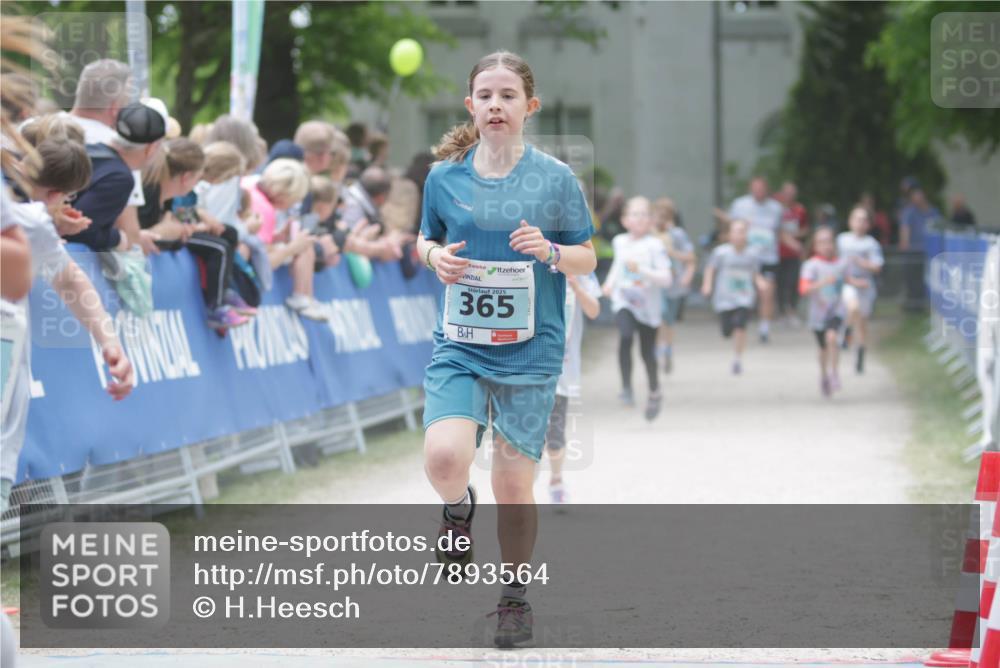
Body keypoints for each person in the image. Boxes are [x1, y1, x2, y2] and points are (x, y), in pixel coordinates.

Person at [415, 50, 596, 648]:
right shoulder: (444, 178)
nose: (496, 104)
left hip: (531, 350)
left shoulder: (556, 179)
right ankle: (456, 508)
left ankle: (514, 599)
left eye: (508, 95)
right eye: (486, 95)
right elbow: (425, 239)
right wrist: (434, 257)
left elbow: (587, 257)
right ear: (471, 106)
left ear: (529, 107)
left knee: (515, 484)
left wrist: (548, 251)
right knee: (444, 458)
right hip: (462, 346)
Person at [139, 138, 251, 329]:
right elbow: (165, 225)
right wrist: (186, 226)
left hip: (179, 230)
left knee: (228, 233)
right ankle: (216, 305)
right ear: (187, 177)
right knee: (219, 248)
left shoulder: (165, 192)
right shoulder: (151, 190)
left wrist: (181, 227)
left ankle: (226, 289)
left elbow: (174, 220)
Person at [66, 100, 167, 252]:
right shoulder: (120, 178)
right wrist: (118, 238)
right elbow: (79, 228)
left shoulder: (89, 149)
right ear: (151, 148)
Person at [603, 196, 672, 419]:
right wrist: (609, 284)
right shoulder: (620, 241)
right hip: (624, 300)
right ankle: (626, 387)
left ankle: (654, 390)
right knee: (624, 336)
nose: (639, 218)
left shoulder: (655, 245)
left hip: (647, 306)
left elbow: (666, 279)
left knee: (646, 352)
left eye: (644, 214)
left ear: (651, 220)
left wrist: (642, 270)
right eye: (634, 213)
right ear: (624, 220)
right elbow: (618, 265)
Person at [244, 158, 327, 321]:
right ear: (284, 196)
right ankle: (302, 297)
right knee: (305, 246)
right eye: (295, 200)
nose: (292, 206)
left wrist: (276, 237)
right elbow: (262, 263)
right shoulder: (265, 209)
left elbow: (254, 241)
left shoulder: (250, 183)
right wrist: (292, 248)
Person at [545, 272, 601, 505]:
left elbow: (594, 310)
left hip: (562, 369)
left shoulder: (580, 267)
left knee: (555, 435)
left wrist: (576, 288)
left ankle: (556, 479)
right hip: (525, 365)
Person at [800, 226, 867, 397]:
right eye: (821, 242)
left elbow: (846, 280)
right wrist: (822, 283)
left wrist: (857, 282)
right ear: (815, 246)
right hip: (818, 314)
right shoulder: (811, 266)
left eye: (829, 241)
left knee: (832, 338)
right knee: (823, 348)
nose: (826, 245)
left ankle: (834, 373)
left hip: (836, 310)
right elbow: (804, 289)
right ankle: (823, 375)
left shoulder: (842, 263)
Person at [725, 177, 791, 343]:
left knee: (767, 292)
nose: (759, 192)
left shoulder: (776, 208)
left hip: (768, 258)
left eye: (762, 188)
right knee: (741, 291)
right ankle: (736, 320)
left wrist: (794, 244)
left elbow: (780, 232)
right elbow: (731, 228)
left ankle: (764, 327)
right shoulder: (739, 205)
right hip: (745, 258)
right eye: (755, 188)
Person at [701, 219, 766, 375]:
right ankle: (730, 336)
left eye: (742, 231)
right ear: (729, 234)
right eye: (735, 231)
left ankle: (737, 358)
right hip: (724, 298)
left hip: (744, 296)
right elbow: (710, 269)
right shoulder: (721, 253)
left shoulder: (752, 254)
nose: (739, 235)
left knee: (740, 326)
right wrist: (707, 284)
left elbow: (755, 273)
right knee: (726, 331)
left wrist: (760, 282)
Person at [837, 207, 884, 374]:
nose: (860, 223)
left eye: (864, 220)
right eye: (857, 219)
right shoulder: (842, 240)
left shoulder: (871, 244)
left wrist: (861, 262)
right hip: (848, 282)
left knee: (862, 324)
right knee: (853, 307)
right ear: (850, 221)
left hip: (865, 284)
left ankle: (860, 355)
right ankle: (846, 333)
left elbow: (877, 266)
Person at [652, 197, 695, 373]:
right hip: (654, 284)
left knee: (668, 319)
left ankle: (667, 348)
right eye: (658, 215)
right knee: (657, 317)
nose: (661, 219)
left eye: (665, 215)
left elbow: (691, 257)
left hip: (673, 283)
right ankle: (656, 349)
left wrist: (673, 253)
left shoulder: (677, 234)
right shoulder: (650, 234)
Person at [774, 181, 807, 327]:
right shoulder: (775, 208)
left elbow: (806, 229)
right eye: (786, 193)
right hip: (777, 252)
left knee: (793, 282)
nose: (788, 196)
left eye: (791, 193)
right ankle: (781, 313)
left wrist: (794, 235)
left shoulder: (800, 210)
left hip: (793, 253)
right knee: (780, 284)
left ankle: (792, 311)